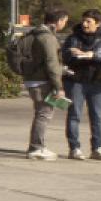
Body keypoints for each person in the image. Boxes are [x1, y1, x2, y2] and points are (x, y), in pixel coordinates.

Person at [62, 9, 101, 161]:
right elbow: (65, 57)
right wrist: (77, 55)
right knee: (74, 115)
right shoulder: (73, 38)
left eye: (89, 22)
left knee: (97, 116)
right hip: (76, 81)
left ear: (98, 24)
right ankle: (74, 148)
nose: (85, 24)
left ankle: (97, 148)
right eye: (84, 21)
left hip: (98, 82)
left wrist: (93, 55)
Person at [21, 9, 70, 160]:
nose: (64, 24)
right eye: (65, 21)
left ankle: (37, 146)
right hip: (42, 81)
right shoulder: (47, 38)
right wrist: (58, 86)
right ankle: (36, 148)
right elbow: (51, 63)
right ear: (59, 21)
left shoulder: (33, 34)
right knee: (44, 114)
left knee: (40, 113)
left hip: (31, 78)